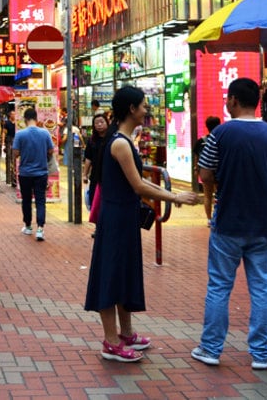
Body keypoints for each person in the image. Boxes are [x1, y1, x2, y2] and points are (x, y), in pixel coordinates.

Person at [85, 86, 198, 363]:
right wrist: (174, 196)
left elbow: (140, 181)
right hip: (115, 219)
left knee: (122, 273)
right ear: (132, 109)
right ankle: (111, 342)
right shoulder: (120, 143)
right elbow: (138, 185)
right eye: (144, 106)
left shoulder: (123, 139)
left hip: (122, 217)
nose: (147, 110)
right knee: (111, 277)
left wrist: (172, 196)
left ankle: (126, 333)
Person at [190, 78, 267, 370]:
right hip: (265, 222)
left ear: (234, 100)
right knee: (261, 288)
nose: (226, 102)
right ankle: (261, 354)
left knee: (220, 286)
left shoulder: (220, 135)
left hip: (229, 221)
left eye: (227, 98)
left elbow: (206, 176)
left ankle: (210, 348)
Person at [12, 108, 55, 241]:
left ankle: (28, 226)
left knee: (26, 200)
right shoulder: (45, 133)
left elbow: (15, 153)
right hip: (41, 172)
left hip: (25, 173)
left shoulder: (20, 134)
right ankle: (40, 229)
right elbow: (51, 150)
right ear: (36, 119)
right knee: (40, 200)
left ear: (25, 119)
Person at [82, 113, 110, 221]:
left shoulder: (112, 138)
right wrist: (84, 174)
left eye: (101, 122)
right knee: (95, 201)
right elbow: (88, 158)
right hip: (95, 176)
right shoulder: (92, 140)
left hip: (109, 176)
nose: (99, 125)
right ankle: (98, 227)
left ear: (107, 123)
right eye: (96, 123)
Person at [194, 116, 222, 221]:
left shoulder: (201, 141)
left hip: (205, 171)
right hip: (219, 171)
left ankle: (209, 219)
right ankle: (218, 217)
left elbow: (196, 156)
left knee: (207, 195)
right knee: (220, 195)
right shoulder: (220, 139)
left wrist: (196, 169)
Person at [3, 109, 17, 186]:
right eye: (12, 114)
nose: (14, 115)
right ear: (10, 115)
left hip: (16, 141)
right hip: (9, 141)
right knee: (9, 159)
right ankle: (10, 179)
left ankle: (14, 179)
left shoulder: (18, 123)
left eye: (15, 114)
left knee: (15, 160)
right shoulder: (7, 123)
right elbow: (4, 132)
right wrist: (2, 143)